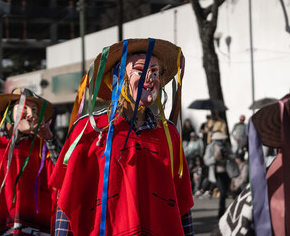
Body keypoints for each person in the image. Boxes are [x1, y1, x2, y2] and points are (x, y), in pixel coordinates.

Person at [49, 38, 194, 235]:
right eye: (141, 71)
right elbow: (66, 200)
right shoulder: (90, 131)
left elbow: (182, 205)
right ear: (119, 78)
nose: (150, 78)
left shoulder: (169, 135)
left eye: (155, 72)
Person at [0, 88, 62, 236]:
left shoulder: (42, 144)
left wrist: (50, 140)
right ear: (8, 112)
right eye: (23, 108)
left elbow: (62, 174)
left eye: (34, 110)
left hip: (34, 226)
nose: (31, 115)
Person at [212, 94, 290, 236]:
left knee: (225, 192)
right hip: (222, 170)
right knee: (223, 192)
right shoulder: (275, 170)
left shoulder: (275, 168)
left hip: (248, 166)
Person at [204, 131, 233, 218]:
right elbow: (206, 161)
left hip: (226, 172)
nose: (220, 141)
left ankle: (223, 211)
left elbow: (233, 156)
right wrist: (215, 157)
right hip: (217, 173)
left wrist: (228, 156)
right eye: (218, 139)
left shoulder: (226, 145)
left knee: (225, 192)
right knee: (223, 192)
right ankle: (221, 212)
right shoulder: (210, 147)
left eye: (221, 139)